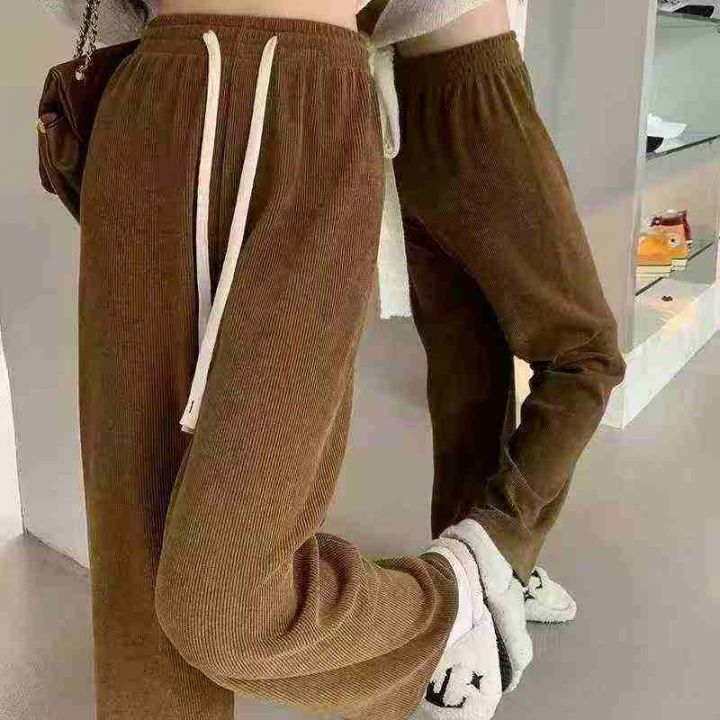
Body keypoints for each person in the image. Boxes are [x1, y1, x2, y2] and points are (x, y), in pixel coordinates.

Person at [38, 1, 626, 719]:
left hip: (311, 89)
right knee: (136, 580)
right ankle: (470, 582)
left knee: (227, 603)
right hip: (156, 92)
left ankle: (458, 595)